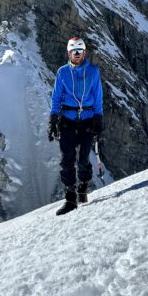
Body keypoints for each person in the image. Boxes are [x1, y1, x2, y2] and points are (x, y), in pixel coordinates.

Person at [48, 37, 104, 215]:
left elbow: (98, 96)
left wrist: (98, 119)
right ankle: (70, 199)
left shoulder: (93, 72)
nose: (77, 54)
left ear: (84, 53)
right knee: (67, 159)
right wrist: (53, 120)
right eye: (74, 51)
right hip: (67, 120)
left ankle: (83, 186)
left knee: (84, 159)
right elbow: (56, 97)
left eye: (80, 51)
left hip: (87, 119)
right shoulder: (62, 72)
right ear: (69, 53)